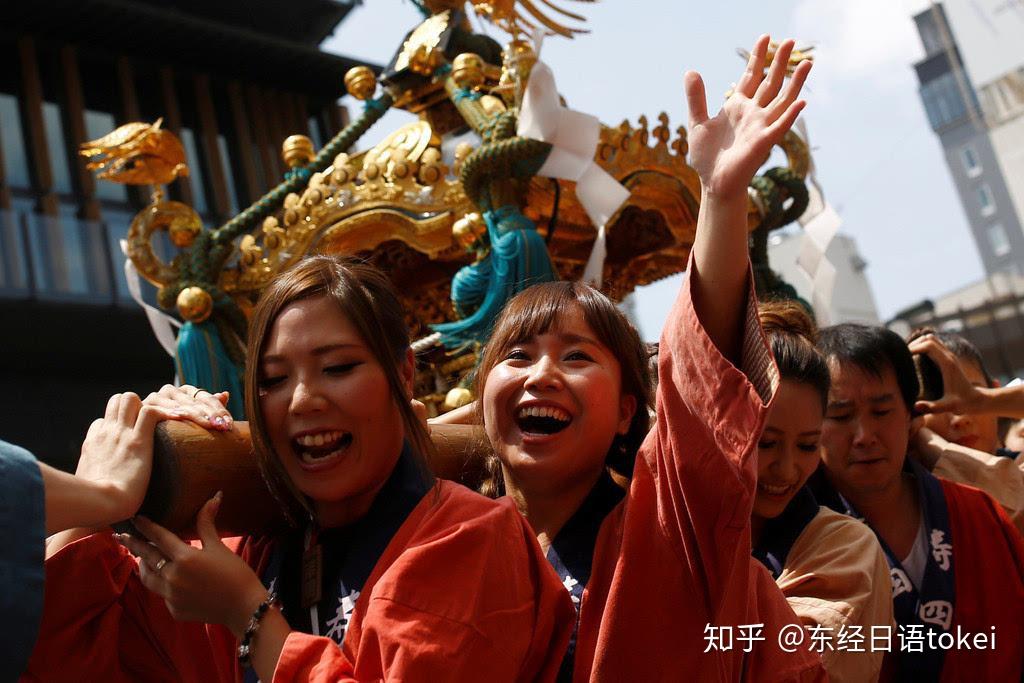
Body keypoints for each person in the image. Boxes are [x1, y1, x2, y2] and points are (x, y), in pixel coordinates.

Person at [26, 257, 574, 682]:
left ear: (403, 373)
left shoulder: (469, 536)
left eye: (337, 368)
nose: (303, 401)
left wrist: (249, 617)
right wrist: (97, 497)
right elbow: (58, 659)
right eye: (272, 380)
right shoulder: (240, 552)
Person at [468, 36, 825, 681]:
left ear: (631, 407)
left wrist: (720, 197)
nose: (541, 374)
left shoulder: (670, 525)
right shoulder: (444, 546)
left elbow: (700, 383)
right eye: (516, 355)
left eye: (577, 357)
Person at [811, 323, 1024, 681]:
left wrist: (978, 400)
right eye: (841, 415)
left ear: (912, 417)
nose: (864, 436)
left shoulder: (979, 511)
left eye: (881, 412)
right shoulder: (799, 547)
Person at [750, 301, 892, 683]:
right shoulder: (661, 524)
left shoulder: (846, 546)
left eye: (807, 446)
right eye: (766, 443)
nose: (787, 469)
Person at [908, 331, 1024, 533]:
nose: (959, 417)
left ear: (995, 390)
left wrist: (982, 401)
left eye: (970, 391)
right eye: (933, 402)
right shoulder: (904, 506)